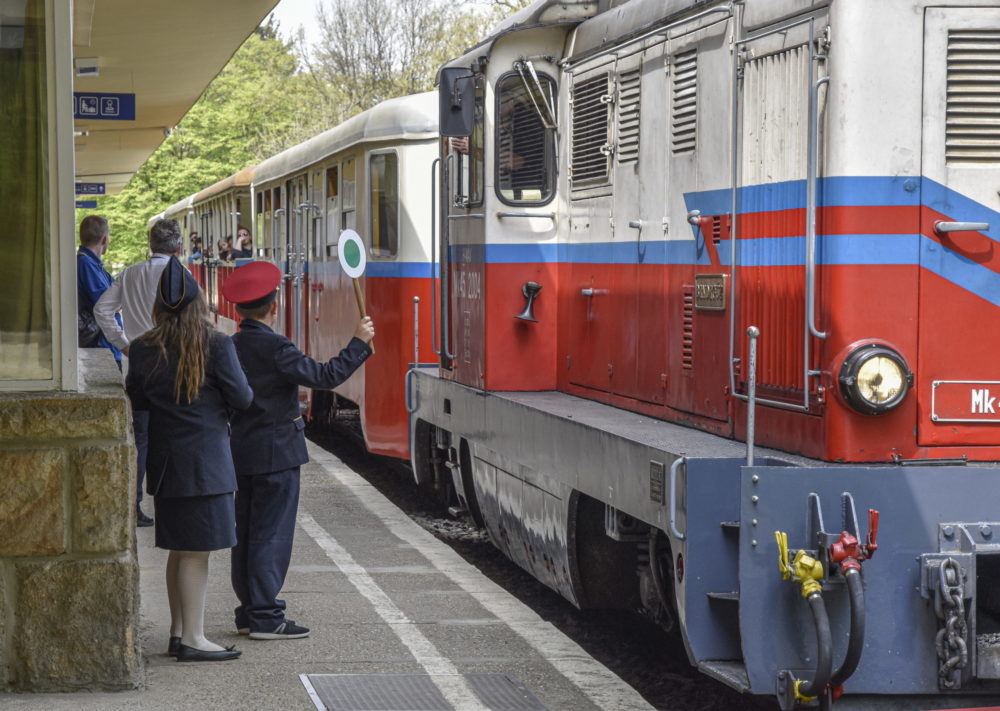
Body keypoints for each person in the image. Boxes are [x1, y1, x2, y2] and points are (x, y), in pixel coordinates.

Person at [222, 261, 374, 640]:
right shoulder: (276, 347)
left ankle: (248, 611)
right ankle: (266, 616)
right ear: (274, 306)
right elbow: (325, 376)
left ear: (239, 310)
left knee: (244, 533)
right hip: (277, 456)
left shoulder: (231, 346)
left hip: (240, 452)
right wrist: (359, 343)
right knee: (271, 534)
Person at [125, 256, 253, 662]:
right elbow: (243, 397)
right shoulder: (215, 343)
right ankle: (195, 638)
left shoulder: (144, 348)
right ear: (199, 303)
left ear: (158, 306)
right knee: (197, 553)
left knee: (180, 550)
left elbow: (139, 399)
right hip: (208, 465)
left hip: (166, 464)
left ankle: (179, 633)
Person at [95, 218, 183, 527]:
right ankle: (173, 503)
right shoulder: (181, 276)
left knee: (141, 439)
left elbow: (102, 310)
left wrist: (124, 344)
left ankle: (134, 504)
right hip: (175, 368)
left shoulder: (129, 274)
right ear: (179, 247)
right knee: (177, 433)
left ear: (150, 244)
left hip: (140, 367)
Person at [76, 215, 122, 368]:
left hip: (104, 346)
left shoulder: (92, 265)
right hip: (101, 347)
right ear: (104, 240)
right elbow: (109, 304)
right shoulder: (86, 265)